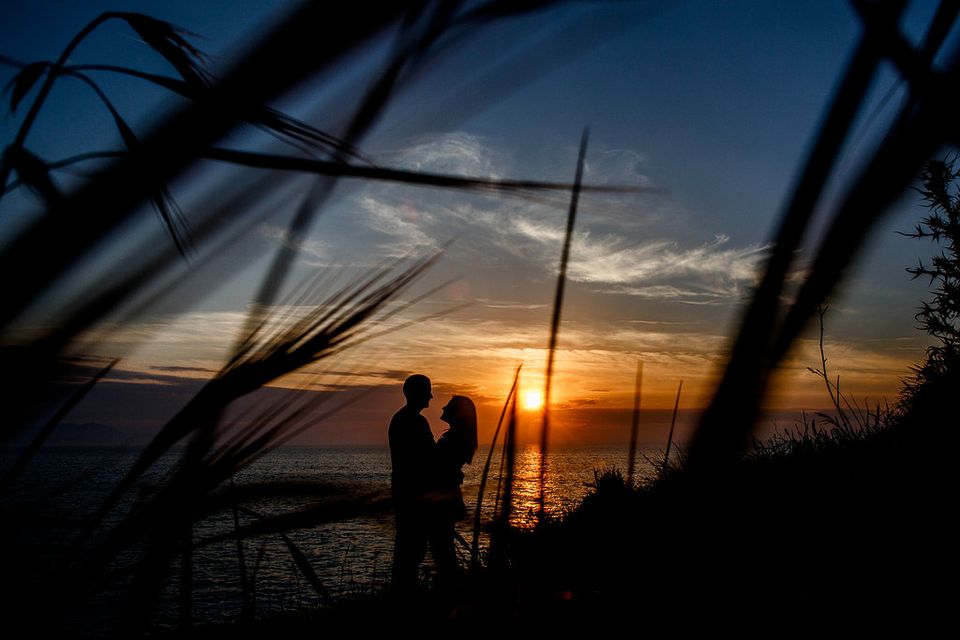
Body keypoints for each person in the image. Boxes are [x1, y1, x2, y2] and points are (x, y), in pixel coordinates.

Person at [425, 395, 478, 590]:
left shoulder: (455, 439)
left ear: (457, 414)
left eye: (449, 405)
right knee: (442, 547)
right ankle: (450, 587)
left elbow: (441, 466)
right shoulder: (456, 437)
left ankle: (450, 589)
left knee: (442, 549)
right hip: (446, 497)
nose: (444, 406)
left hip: (443, 500)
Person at [388, 374, 435, 592]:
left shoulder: (400, 419)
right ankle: (404, 593)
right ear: (416, 393)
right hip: (413, 494)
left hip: (404, 491)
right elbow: (430, 456)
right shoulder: (414, 421)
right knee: (411, 547)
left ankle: (403, 589)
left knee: (408, 546)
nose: (432, 396)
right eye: (428, 391)